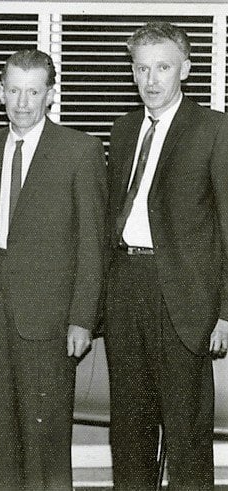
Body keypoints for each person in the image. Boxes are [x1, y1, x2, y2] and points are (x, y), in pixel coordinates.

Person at [0, 49, 107, 490]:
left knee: (45, 438)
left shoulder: (79, 150)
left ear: (50, 95)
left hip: (49, 315)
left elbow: (92, 243)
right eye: (13, 90)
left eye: (33, 92)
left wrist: (82, 317)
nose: (22, 102)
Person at [104, 22, 228, 490]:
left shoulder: (214, 129)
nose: (150, 80)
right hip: (125, 288)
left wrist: (226, 312)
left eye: (162, 67)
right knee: (129, 429)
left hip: (183, 296)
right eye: (141, 69)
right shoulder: (123, 129)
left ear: (186, 71)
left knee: (186, 433)